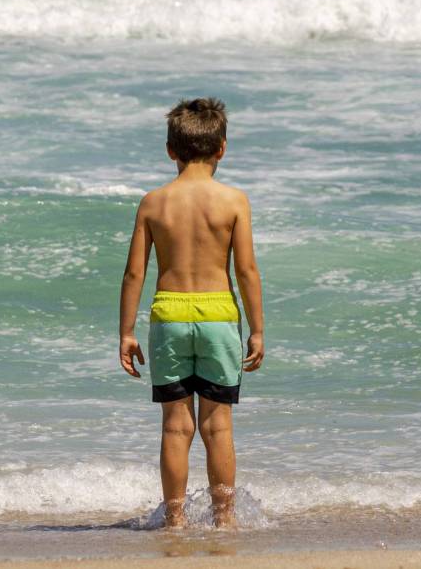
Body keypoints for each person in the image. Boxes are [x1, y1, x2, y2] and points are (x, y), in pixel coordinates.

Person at [118, 97, 265, 529]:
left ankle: (176, 521)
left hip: (169, 318)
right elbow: (247, 270)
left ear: (170, 150)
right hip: (220, 317)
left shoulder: (153, 203)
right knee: (218, 427)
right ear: (222, 148)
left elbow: (133, 273)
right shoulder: (234, 201)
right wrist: (257, 329)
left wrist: (126, 331)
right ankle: (225, 520)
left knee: (175, 427)